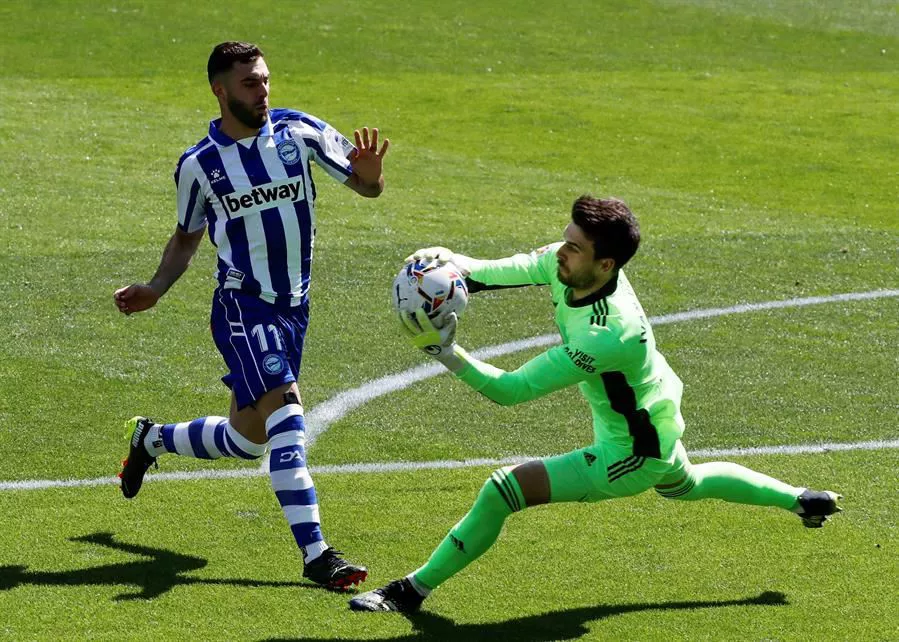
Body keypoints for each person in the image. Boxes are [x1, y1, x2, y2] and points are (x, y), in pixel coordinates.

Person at [349, 195, 842, 612]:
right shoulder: (573, 265)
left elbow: (511, 391)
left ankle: (409, 592)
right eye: (565, 239)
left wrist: (443, 352)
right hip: (655, 408)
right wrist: (451, 263)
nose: (561, 252)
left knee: (502, 490)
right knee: (687, 482)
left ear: (605, 265)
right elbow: (491, 273)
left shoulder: (607, 334)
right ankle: (801, 499)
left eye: (574, 248)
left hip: (634, 446)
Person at [113, 41, 389, 590]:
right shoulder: (199, 166)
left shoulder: (298, 133)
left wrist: (372, 174)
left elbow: (366, 187)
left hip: (295, 307)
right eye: (249, 83)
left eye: (265, 80)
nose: (263, 91)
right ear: (219, 89)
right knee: (288, 413)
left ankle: (152, 439)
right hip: (243, 304)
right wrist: (156, 287)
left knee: (247, 438)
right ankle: (317, 555)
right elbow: (187, 236)